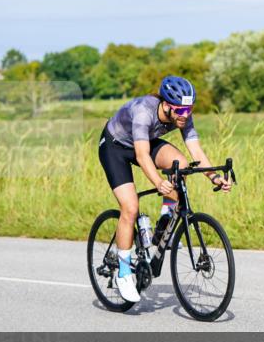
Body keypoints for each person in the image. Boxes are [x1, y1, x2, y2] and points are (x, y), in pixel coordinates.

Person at [97, 76, 232, 303]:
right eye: (180, 110)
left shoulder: (182, 116)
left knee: (181, 165)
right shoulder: (143, 111)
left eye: (189, 109)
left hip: (145, 142)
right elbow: (141, 155)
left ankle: (163, 227)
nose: (185, 115)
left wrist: (215, 177)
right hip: (115, 147)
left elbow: (195, 152)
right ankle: (122, 270)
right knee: (130, 207)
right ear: (167, 105)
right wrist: (159, 182)